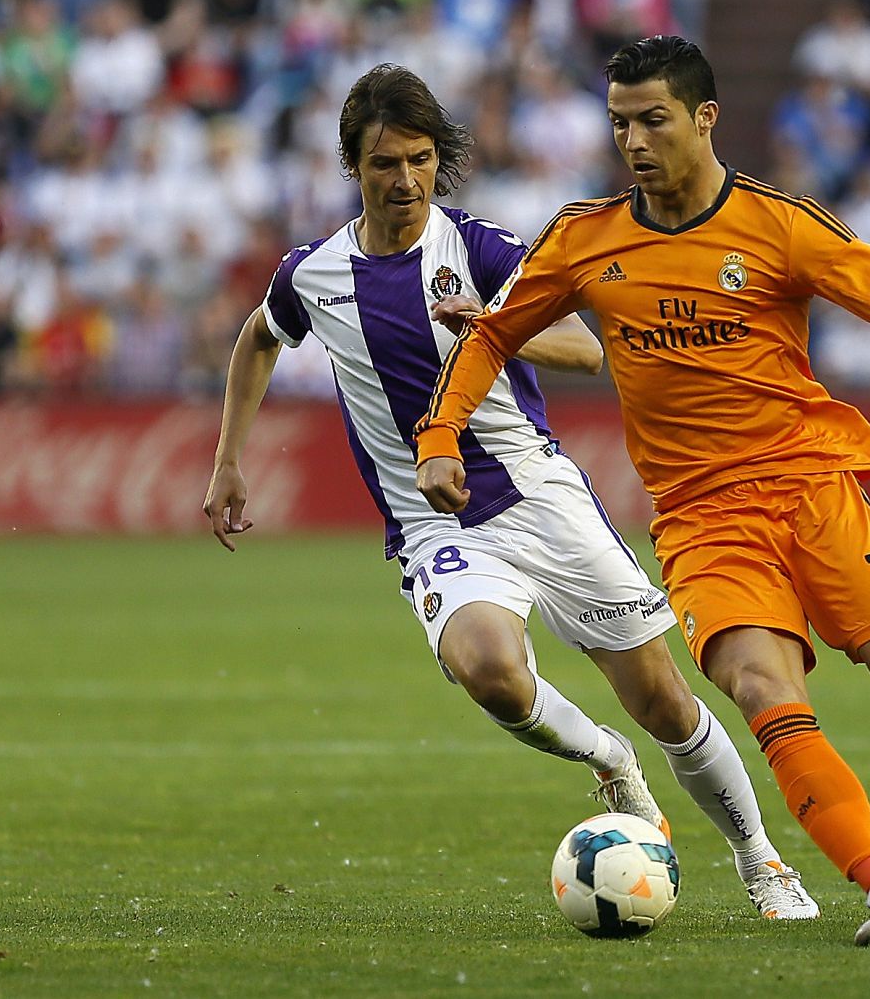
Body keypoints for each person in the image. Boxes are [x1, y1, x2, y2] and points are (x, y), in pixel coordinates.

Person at [416, 36, 870, 947]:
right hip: (703, 521)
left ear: (706, 118)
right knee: (760, 688)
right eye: (620, 121)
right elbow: (493, 333)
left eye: (653, 119)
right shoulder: (584, 237)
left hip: (812, 489)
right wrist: (439, 434)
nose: (632, 140)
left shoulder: (782, 225)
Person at [201, 64, 818, 921]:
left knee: (667, 701)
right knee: (489, 668)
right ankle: (608, 758)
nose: (406, 179)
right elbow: (258, 340)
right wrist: (230, 458)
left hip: (540, 497)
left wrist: (491, 327)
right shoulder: (313, 273)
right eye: (385, 164)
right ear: (355, 167)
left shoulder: (480, 248)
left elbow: (583, 348)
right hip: (433, 523)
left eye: (420, 159)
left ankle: (762, 861)